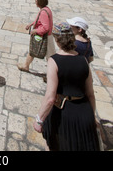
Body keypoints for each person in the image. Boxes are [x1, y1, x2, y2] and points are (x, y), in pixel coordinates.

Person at [33, 22, 100, 151]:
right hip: (84, 114)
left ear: (57, 40)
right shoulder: (84, 61)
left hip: (64, 115)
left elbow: (50, 97)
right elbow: (90, 94)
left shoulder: (54, 61)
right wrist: (92, 117)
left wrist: (39, 119)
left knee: (54, 145)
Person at [18, 0, 55, 72]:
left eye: (36, 1)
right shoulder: (46, 9)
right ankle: (26, 66)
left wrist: (35, 30)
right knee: (32, 50)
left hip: (46, 37)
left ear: (40, 2)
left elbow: (45, 27)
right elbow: (39, 20)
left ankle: (54, 73)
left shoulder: (43, 12)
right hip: (45, 35)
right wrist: (31, 24)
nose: (35, 2)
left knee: (51, 57)